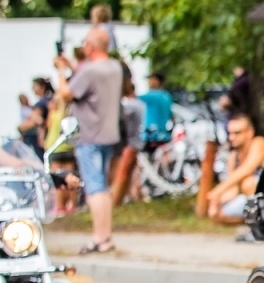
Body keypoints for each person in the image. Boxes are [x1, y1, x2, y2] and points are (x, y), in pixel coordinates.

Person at [52, 27, 124, 253]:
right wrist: (74, 67)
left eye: (84, 43)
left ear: (91, 47)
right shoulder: (114, 67)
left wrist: (62, 71)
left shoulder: (90, 71)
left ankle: (101, 238)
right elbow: (89, 80)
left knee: (95, 188)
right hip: (108, 134)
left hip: (89, 135)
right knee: (102, 186)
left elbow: (66, 93)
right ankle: (106, 236)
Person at [206, 113, 264, 223]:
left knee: (248, 183)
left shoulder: (259, 143)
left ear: (249, 132)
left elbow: (246, 169)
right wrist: (217, 201)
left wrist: (218, 191)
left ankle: (262, 226)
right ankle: (253, 226)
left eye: (237, 133)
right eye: (229, 133)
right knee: (218, 214)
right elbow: (234, 190)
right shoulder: (233, 157)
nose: (231, 137)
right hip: (251, 199)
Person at [111, 65, 145, 205]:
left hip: (130, 143)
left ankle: (117, 200)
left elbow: (116, 116)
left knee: (123, 173)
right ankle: (132, 197)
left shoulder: (130, 105)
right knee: (132, 174)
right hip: (136, 141)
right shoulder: (140, 103)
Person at [140, 72, 173, 153]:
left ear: (157, 81)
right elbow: (170, 115)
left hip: (151, 136)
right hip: (164, 135)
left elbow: (131, 98)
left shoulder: (153, 95)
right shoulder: (167, 96)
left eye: (151, 79)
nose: (149, 82)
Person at [19, 78, 54, 154]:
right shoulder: (49, 100)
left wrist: (20, 127)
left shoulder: (40, 104)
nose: (32, 89)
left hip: (40, 141)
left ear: (42, 87)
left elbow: (36, 121)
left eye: (34, 86)